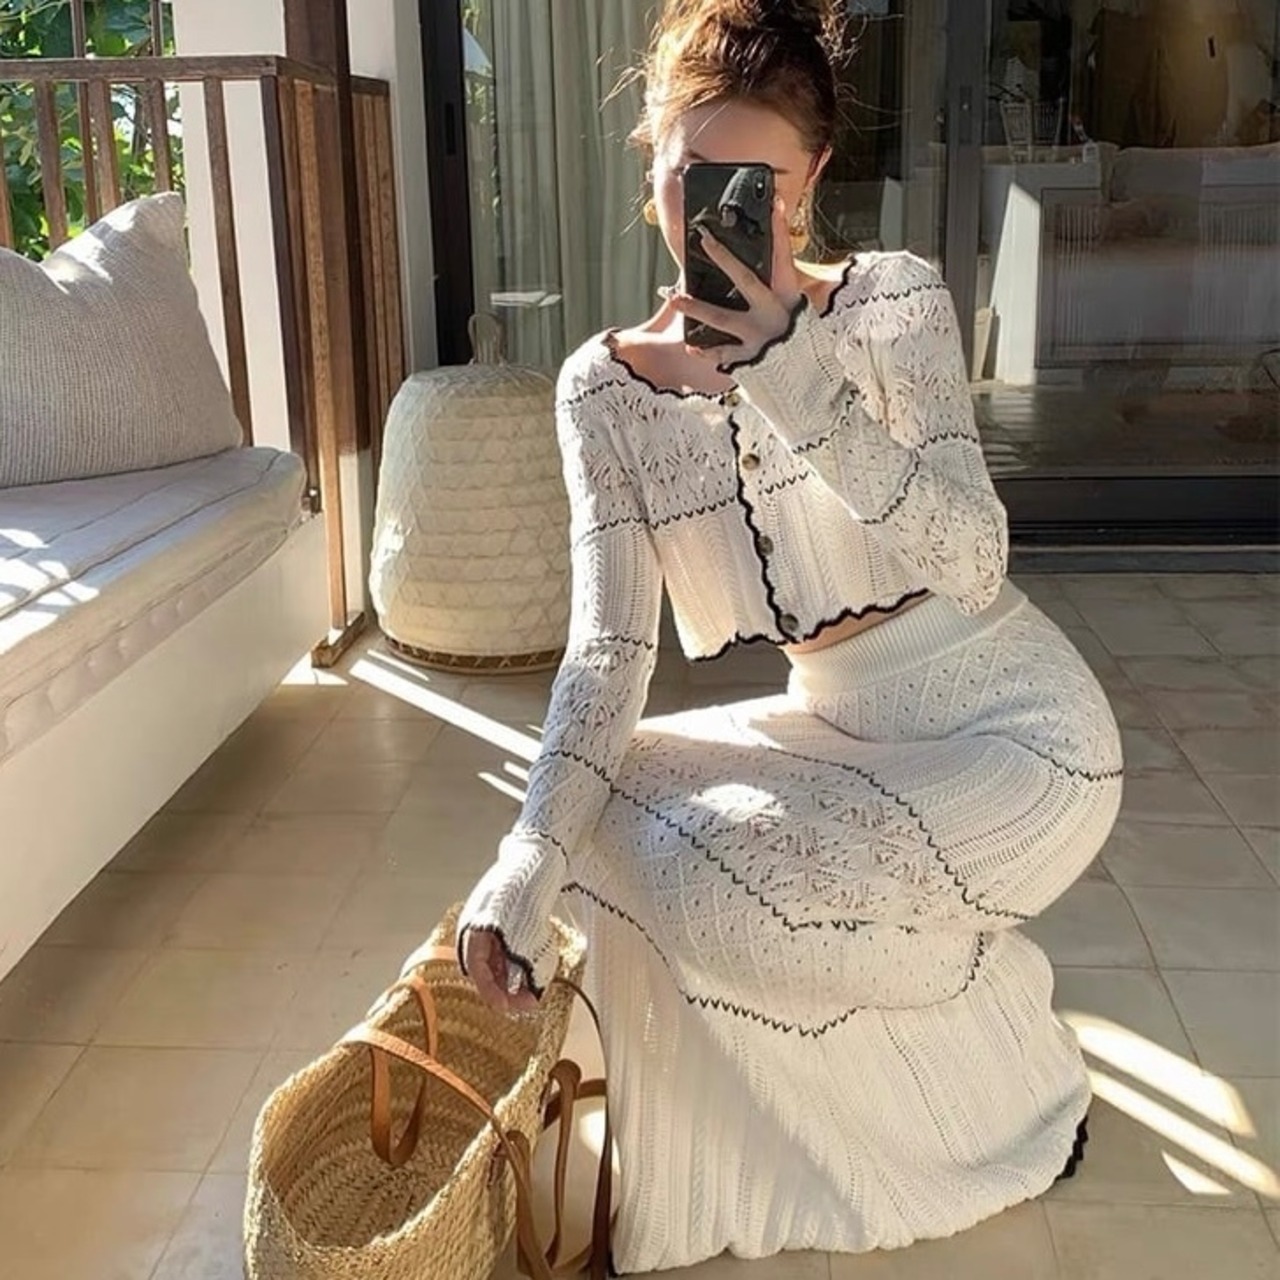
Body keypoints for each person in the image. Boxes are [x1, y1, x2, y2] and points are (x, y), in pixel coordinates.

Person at [457, 0, 1123, 1271]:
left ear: (808, 180)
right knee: (590, 824)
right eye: (689, 174)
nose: (713, 211)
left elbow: (973, 560)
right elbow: (606, 654)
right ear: (649, 160)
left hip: (1015, 733)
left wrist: (791, 375)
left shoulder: (892, 301)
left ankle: (989, 1065)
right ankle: (866, 1060)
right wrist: (523, 858)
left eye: (751, 184)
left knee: (738, 899)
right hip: (840, 724)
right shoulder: (602, 388)